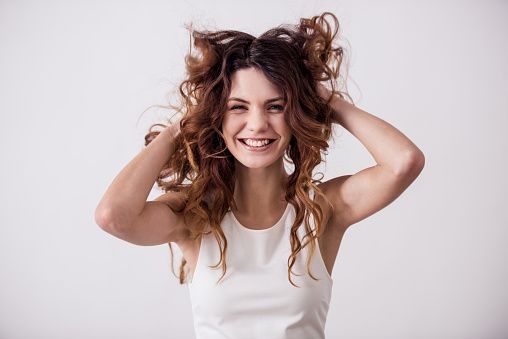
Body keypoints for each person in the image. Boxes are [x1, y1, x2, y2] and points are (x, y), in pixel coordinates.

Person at [95, 12, 425, 339]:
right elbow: (114, 217)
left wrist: (324, 99)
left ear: (295, 114)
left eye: (275, 106)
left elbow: (404, 161)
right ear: (216, 117)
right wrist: (183, 123)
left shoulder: (323, 207)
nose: (256, 124)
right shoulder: (194, 213)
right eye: (238, 106)